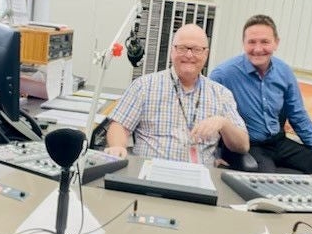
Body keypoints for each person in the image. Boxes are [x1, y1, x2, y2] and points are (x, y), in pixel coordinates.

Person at [104, 23, 249, 166]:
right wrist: (118, 146)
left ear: (206, 54)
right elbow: (119, 126)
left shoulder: (221, 94)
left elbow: (242, 145)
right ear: (172, 51)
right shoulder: (144, 86)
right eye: (182, 48)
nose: (189, 55)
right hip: (151, 173)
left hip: (198, 179)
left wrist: (223, 123)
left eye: (197, 49)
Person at [210, 14, 312, 174]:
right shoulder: (223, 74)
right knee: (266, 179)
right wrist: (214, 156)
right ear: (243, 44)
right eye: (252, 42)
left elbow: (298, 116)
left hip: (278, 142)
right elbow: (207, 117)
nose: (258, 49)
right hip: (247, 146)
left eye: (265, 42)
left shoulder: (284, 72)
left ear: (276, 43)